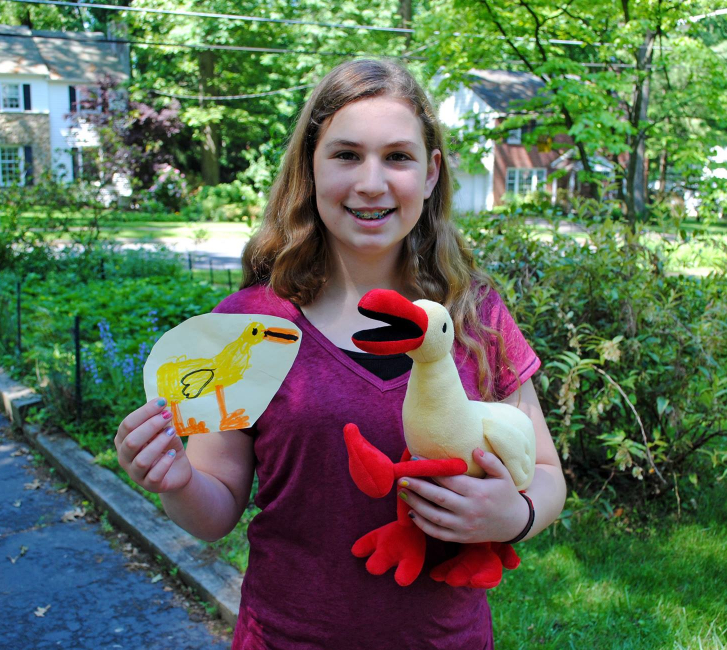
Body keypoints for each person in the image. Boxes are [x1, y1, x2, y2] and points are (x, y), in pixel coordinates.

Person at [115, 58, 566, 649]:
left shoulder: (474, 314)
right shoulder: (246, 327)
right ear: (311, 167)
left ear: (431, 174)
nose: (372, 183)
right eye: (346, 154)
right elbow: (216, 508)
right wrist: (174, 480)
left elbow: (548, 475)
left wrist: (516, 517)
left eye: (397, 157)